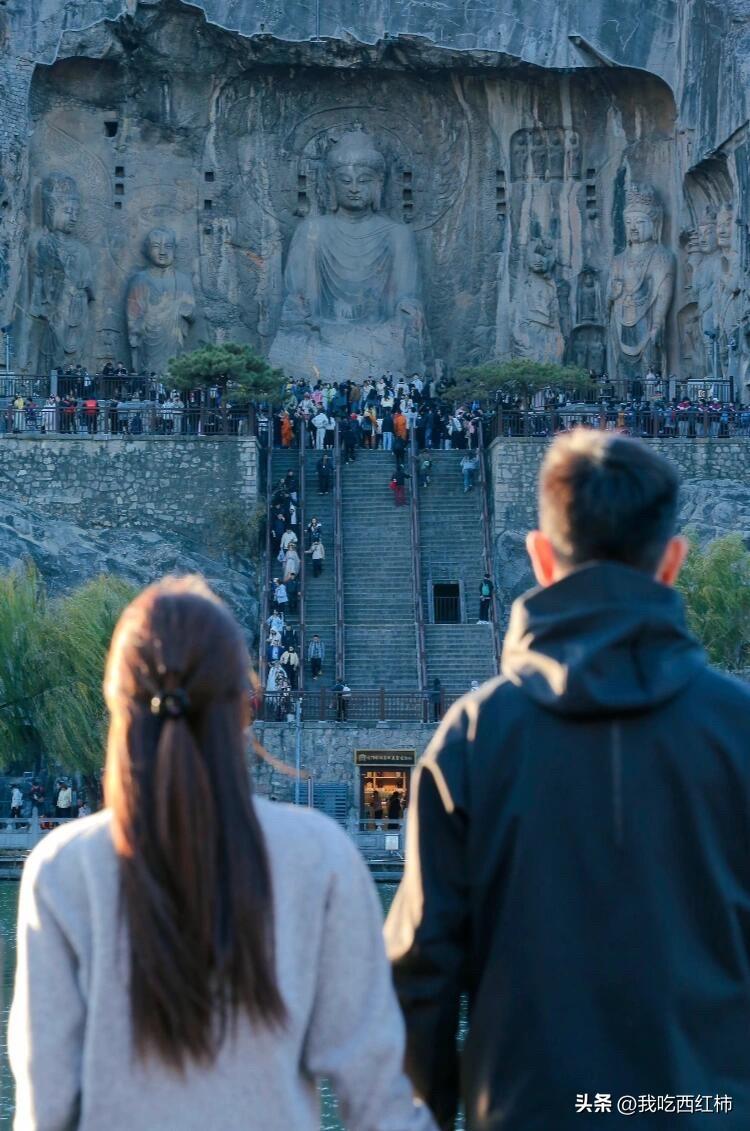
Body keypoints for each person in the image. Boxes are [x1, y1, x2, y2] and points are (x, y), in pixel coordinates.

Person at [385, 429, 750, 1131]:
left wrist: (427, 1108)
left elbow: (420, 973)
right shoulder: (736, 730)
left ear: (540, 558)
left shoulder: (474, 736)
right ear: (672, 562)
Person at [10, 578, 436, 1131]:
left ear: (118, 705)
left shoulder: (62, 870)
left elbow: (45, 1110)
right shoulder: (320, 857)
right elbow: (379, 1104)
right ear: (244, 708)